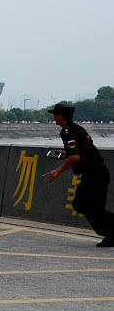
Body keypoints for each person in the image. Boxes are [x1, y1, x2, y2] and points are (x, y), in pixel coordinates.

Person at [43, 103, 114, 247]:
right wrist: (66, 154)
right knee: (84, 205)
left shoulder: (68, 132)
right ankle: (110, 233)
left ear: (60, 115)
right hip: (94, 174)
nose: (54, 117)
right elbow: (81, 151)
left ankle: (111, 233)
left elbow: (76, 157)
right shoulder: (76, 129)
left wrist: (57, 171)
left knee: (85, 206)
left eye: (55, 114)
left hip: (96, 175)